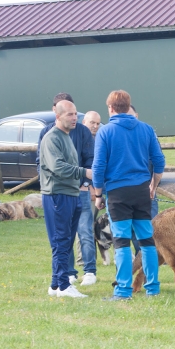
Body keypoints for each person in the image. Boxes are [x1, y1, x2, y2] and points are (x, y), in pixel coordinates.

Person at [93, 90, 165, 301]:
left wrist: (98, 194)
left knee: (122, 241)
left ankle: (123, 290)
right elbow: (159, 161)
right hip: (142, 190)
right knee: (147, 240)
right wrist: (153, 184)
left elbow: (98, 167)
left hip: (117, 192)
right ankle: (153, 288)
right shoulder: (146, 129)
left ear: (111, 108)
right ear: (129, 106)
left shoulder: (105, 132)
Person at [36, 93, 97, 287]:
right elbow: (58, 167)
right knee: (61, 242)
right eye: (70, 114)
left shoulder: (69, 135)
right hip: (57, 195)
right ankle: (64, 284)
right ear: (57, 115)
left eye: (75, 115)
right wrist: (85, 173)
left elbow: (87, 158)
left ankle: (57, 284)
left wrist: (84, 182)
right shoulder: (51, 137)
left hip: (73, 193)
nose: (74, 118)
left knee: (72, 237)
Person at [128, 105, 159, 256]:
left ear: (137, 115)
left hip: (147, 189)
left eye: (131, 116)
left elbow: (158, 161)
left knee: (152, 224)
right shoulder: (116, 134)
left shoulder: (147, 132)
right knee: (133, 229)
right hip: (126, 191)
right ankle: (141, 255)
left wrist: (153, 185)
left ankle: (156, 254)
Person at [75, 110, 102, 267]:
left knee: (95, 225)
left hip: (102, 188)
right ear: (84, 122)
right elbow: (84, 164)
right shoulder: (79, 138)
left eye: (98, 123)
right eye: (92, 122)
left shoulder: (99, 138)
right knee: (85, 225)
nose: (95, 126)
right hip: (87, 188)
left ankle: (92, 258)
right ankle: (83, 260)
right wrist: (89, 186)